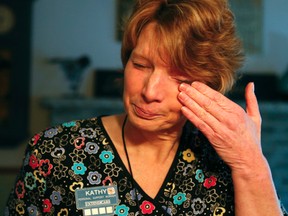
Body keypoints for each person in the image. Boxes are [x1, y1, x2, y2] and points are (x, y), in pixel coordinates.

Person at [4, 0, 287, 215]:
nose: (149, 92)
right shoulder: (56, 151)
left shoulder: (230, 161)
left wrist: (250, 164)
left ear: (209, 86)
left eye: (180, 78)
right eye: (140, 65)